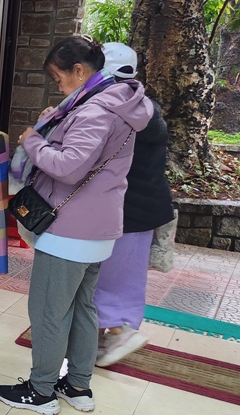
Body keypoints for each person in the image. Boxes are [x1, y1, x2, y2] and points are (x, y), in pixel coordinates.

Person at [0, 36, 152, 414]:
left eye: (59, 77)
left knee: (50, 310)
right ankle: (78, 386)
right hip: (98, 226)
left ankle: (41, 391)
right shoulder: (118, 102)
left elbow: (68, 167)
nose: (59, 85)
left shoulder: (96, 109)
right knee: (83, 307)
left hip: (70, 229)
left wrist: (34, 141)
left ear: (79, 71)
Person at [92, 42, 174, 367]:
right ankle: (101, 339)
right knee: (126, 275)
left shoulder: (109, 107)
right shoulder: (144, 105)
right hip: (145, 207)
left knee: (105, 276)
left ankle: (118, 332)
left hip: (123, 207)